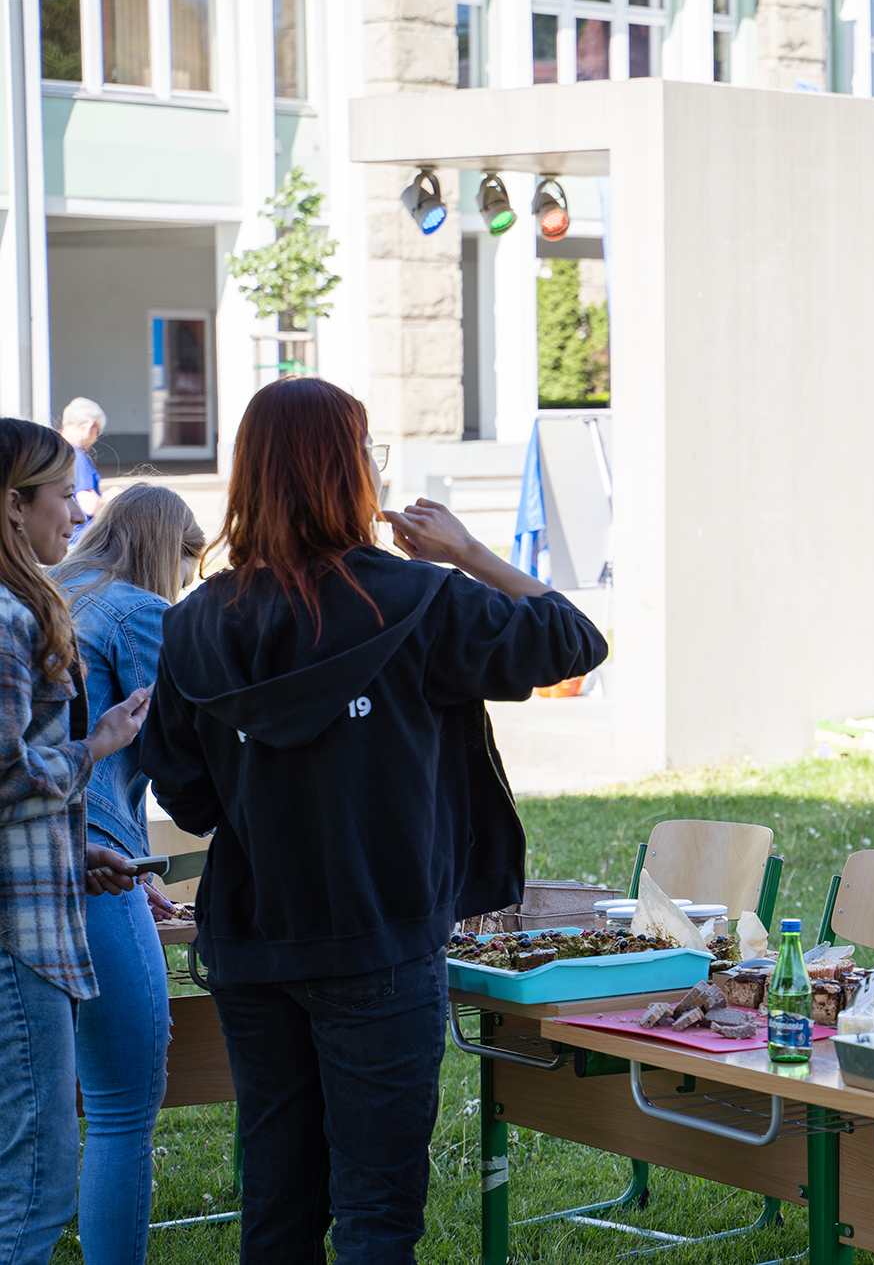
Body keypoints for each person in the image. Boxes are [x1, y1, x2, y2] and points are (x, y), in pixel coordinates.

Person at [139, 378, 607, 1261]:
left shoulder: (195, 622)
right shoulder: (423, 599)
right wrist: (470, 551)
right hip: (378, 939)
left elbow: (187, 795)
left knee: (277, 1199)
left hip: (254, 941)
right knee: (378, 1211)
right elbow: (572, 639)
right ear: (348, 470)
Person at [0, 418, 152, 1264]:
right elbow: (5, 775)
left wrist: (69, 853)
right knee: (35, 1189)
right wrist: (96, 746)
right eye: (64, 494)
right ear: (13, 506)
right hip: (17, 942)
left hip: (29, 911)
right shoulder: (6, 618)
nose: (78, 510)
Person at [51, 483, 205, 1264]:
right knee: (120, 1111)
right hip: (91, 870)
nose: (185, 584)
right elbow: (185, 750)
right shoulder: (140, 609)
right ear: (167, 551)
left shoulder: (53, 593)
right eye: (188, 566)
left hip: (32, 861)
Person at [60, 397, 106, 538]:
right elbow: (89, 505)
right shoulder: (76, 456)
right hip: (77, 539)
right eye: (97, 431)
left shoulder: (55, 449)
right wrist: (112, 497)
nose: (95, 438)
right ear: (89, 427)